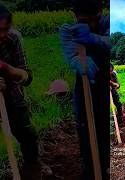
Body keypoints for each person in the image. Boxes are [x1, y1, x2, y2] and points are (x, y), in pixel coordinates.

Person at [0, 3, 52, 179]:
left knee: (27, 134)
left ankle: (32, 165)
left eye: (5, 29)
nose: (2, 35)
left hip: (12, 95)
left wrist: (8, 70)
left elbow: (27, 77)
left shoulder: (13, 38)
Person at [59, 0, 109, 179]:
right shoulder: (69, 30)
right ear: (75, 15)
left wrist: (93, 39)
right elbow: (71, 53)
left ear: (101, 12)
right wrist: (76, 60)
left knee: (104, 130)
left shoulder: (109, 24)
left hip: (106, 86)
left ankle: (105, 168)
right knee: (86, 129)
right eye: (85, 20)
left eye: (94, 19)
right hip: (85, 86)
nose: (91, 25)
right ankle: (91, 170)